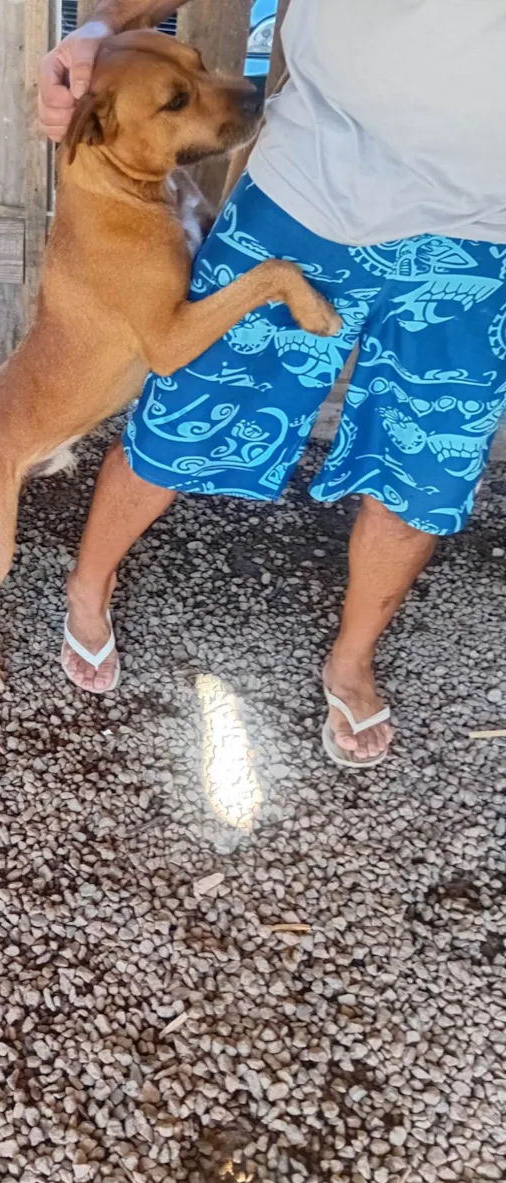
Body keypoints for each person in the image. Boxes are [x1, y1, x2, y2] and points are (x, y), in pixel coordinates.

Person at [39, 0, 506, 767]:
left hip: (485, 231)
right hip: (307, 190)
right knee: (175, 425)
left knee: (425, 476)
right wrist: (98, 27)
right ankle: (87, 588)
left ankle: (351, 662)